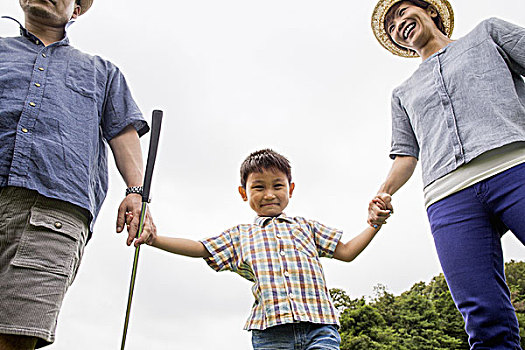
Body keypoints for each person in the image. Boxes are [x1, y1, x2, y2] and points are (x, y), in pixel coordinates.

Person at [369, 0, 525, 348]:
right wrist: (384, 192)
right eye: (391, 27)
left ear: (430, 11)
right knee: (483, 315)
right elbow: (406, 155)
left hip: (514, 167)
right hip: (448, 198)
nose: (397, 25)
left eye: (401, 13)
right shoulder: (402, 93)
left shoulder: (488, 34)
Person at [0, 1, 156, 348]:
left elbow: (122, 133)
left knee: (14, 337)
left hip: (52, 214)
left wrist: (137, 191)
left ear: (75, 11)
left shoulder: (102, 71)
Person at [138, 149, 386, 350]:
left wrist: (375, 224)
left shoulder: (307, 227)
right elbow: (201, 247)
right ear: (243, 193)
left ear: (290, 189)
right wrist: (155, 240)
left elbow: (347, 252)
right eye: (258, 187)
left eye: (277, 186)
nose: (269, 194)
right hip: (271, 333)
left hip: (318, 327)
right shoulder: (241, 235)